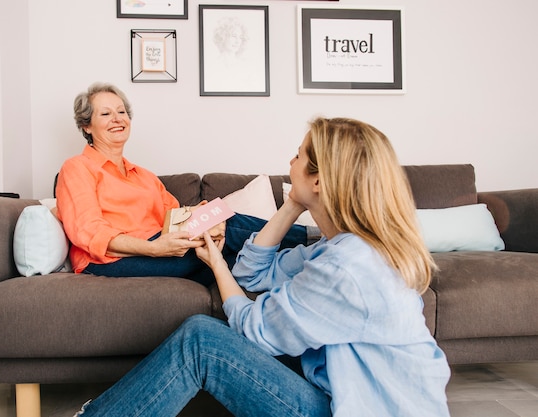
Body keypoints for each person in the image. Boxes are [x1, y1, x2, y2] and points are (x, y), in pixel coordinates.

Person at [73, 117, 451, 417]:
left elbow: (255, 329)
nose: (290, 162)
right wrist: (291, 205)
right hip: (341, 391)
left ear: (318, 180)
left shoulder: (348, 268)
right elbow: (253, 275)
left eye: (299, 156)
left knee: (202, 339)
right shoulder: (340, 249)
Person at [56, 82, 310, 285]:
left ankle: (314, 261)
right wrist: (153, 248)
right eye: (106, 113)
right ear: (86, 125)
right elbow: (89, 232)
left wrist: (203, 214)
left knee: (232, 249)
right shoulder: (77, 168)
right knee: (229, 227)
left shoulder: (143, 175)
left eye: (122, 112)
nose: (117, 119)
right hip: (110, 260)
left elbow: (174, 215)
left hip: (160, 245)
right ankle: (319, 239)